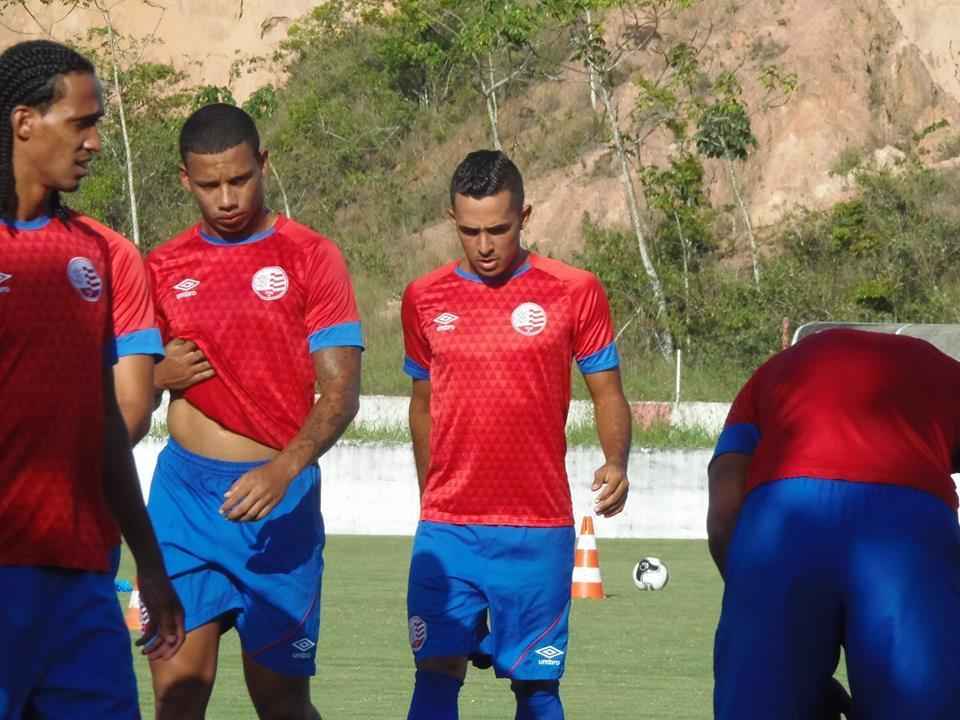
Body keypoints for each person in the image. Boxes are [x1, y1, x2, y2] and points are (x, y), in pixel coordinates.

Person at [145, 103, 363, 720]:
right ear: (186, 180)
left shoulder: (311, 257)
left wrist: (283, 469)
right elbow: (123, 385)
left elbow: (341, 395)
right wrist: (158, 375)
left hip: (279, 502)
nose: (226, 198)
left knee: (282, 703)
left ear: (263, 164)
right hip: (184, 502)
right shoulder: (161, 266)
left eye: (239, 179)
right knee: (177, 696)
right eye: (209, 185)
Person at [401, 149, 632, 720]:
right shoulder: (424, 297)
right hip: (449, 529)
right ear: (452, 220)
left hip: (537, 527)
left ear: (524, 216)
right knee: (434, 674)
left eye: (498, 230)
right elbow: (422, 405)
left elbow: (607, 391)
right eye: (470, 231)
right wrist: (432, 496)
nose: (484, 245)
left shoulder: (574, 290)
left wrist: (616, 460)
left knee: (537, 686)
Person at [0, 39, 184, 718]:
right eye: (82, 123)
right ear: (24, 122)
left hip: (82, 582)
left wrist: (151, 561)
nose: (96, 142)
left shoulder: (102, 255)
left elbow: (107, 424)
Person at [708, 328, 960, 719]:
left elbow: (724, 513)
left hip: (782, 522)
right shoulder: (946, 376)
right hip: (908, 528)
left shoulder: (770, 374)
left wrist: (772, 629)